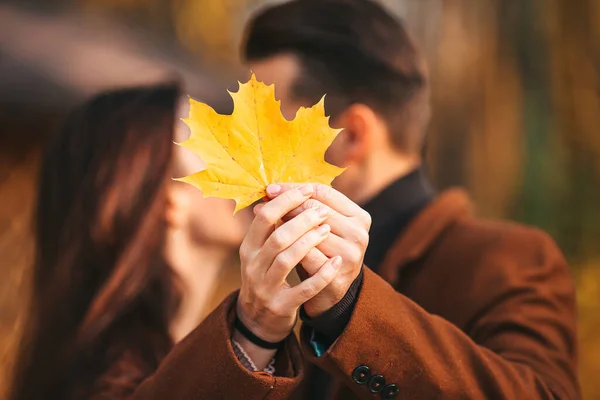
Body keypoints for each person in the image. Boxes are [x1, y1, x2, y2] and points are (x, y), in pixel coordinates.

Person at [242, 0, 580, 399]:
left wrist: (350, 313)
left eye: (266, 126)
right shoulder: (268, 280)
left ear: (351, 136)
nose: (251, 150)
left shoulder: (510, 259)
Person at [8, 84, 353, 400]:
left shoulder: (168, 353)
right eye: (211, 147)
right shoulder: (107, 382)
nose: (246, 157)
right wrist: (256, 337)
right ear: (165, 199)